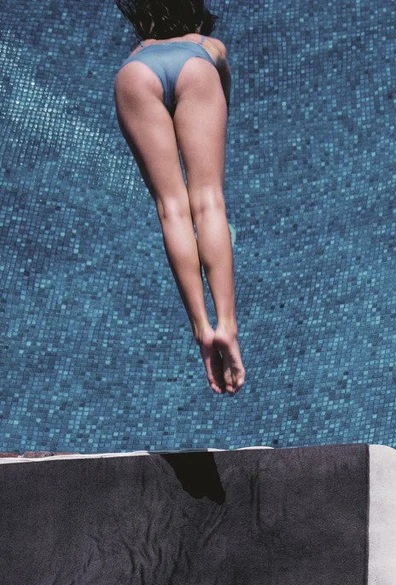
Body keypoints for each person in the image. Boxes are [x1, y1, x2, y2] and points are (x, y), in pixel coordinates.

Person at [114, 0, 244, 394]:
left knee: (172, 209)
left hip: (135, 77)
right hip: (197, 70)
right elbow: (225, 93)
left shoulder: (137, 51)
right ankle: (227, 326)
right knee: (208, 202)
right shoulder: (210, 45)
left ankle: (201, 329)